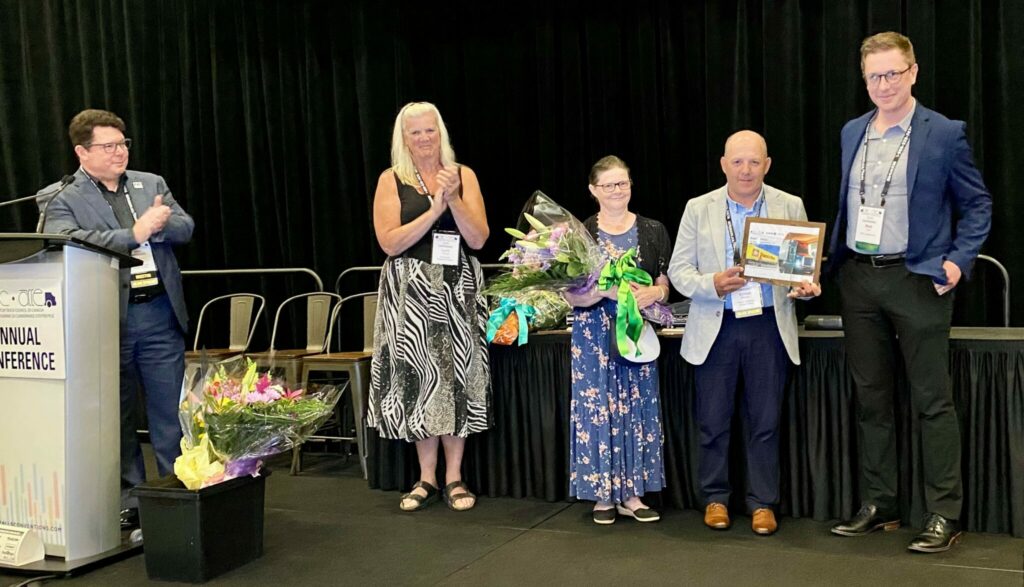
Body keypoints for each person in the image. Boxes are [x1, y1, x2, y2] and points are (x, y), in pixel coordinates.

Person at [828, 32, 991, 553]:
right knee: (871, 400)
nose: (884, 85)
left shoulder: (943, 133)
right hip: (858, 278)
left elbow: (979, 204)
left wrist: (958, 260)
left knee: (931, 401)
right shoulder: (853, 130)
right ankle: (882, 504)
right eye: (875, 76)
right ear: (865, 78)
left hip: (918, 279)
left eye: (893, 73)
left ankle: (943, 512)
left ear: (913, 72)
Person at [40, 108, 194, 529]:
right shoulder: (59, 196)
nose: (119, 152)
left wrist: (157, 227)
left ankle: (178, 494)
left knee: (169, 414)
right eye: (108, 146)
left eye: (122, 143)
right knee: (118, 416)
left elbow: (185, 226)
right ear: (82, 152)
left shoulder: (151, 184)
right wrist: (133, 234)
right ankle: (131, 501)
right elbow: (64, 240)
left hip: (159, 313)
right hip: (106, 319)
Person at [667, 131, 820, 536]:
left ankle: (762, 503)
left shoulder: (790, 205)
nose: (746, 170)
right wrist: (713, 283)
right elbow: (680, 272)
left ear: (767, 165)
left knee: (765, 421)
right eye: (738, 162)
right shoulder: (699, 208)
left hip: (768, 326)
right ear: (724, 164)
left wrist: (804, 287)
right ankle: (715, 498)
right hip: (716, 326)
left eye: (754, 162)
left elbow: (802, 271)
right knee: (713, 420)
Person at [368, 101, 490, 512]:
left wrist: (453, 199)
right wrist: (433, 211)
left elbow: (478, 239)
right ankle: (425, 477)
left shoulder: (464, 175)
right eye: (415, 132)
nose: (423, 138)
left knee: (457, 378)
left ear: (442, 134)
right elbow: (389, 242)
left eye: (430, 131)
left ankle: (454, 477)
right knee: (420, 379)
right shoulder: (391, 179)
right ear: (404, 138)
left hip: (458, 288)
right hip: (410, 293)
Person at [563, 155, 671, 525]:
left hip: (636, 330)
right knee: (598, 411)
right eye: (608, 184)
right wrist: (605, 293)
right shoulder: (578, 235)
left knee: (637, 409)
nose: (616, 190)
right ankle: (601, 495)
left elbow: (664, 281)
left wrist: (653, 295)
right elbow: (570, 294)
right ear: (593, 190)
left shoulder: (653, 229)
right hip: (592, 334)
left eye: (622, 183)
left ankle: (633, 494)